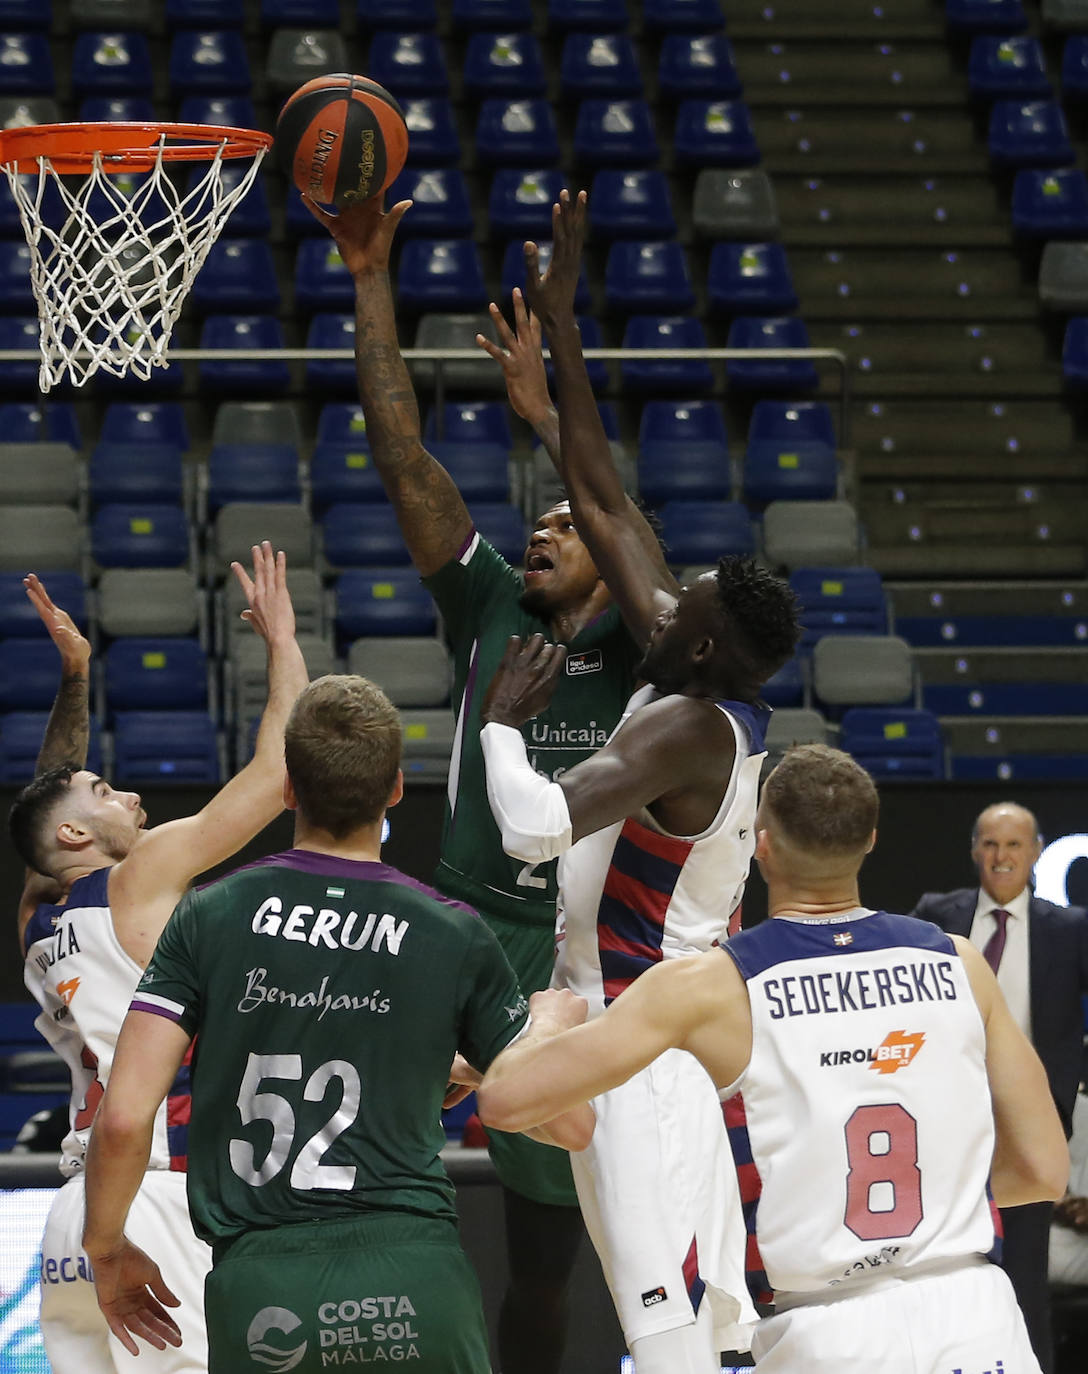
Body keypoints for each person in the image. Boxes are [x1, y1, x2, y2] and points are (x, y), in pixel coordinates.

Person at [304, 191, 669, 1374]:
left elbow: (617, 509)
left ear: (611, 569)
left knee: (558, 1250)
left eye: (567, 523)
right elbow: (399, 449)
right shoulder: (489, 603)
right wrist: (371, 277)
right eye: (540, 520)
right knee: (377, 1180)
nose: (544, 529)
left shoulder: (649, 644)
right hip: (464, 926)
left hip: (585, 955)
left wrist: (555, 404)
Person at [475, 188, 800, 1374]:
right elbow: (604, 492)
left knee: (670, 1335)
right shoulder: (690, 658)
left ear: (702, 644)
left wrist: (505, 728)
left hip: (650, 1051)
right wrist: (562, 327)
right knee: (673, 1321)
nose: (664, 593)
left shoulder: (686, 731)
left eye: (687, 598)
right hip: (622, 1028)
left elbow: (530, 830)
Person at [477, 743, 1071, 1374]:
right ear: (870, 839)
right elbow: (1040, 1169)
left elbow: (508, 1100)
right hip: (976, 1315)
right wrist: (929, 1211)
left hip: (827, 1331)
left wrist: (544, 1023)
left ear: (759, 845)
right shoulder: (960, 962)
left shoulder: (709, 986)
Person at [79, 673, 592, 1374]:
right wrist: (547, 1023)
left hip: (264, 1286)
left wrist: (105, 1248)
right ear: (395, 791)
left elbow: (122, 1121)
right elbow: (570, 1126)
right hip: (416, 1275)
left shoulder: (209, 914)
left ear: (289, 788)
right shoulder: (454, 933)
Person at [11, 549, 308, 1374]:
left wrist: (76, 677)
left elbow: (45, 806)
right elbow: (279, 772)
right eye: (109, 791)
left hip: (79, 1216)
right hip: (160, 1192)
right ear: (78, 837)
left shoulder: (37, 918)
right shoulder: (137, 880)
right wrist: (283, 643)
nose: (133, 797)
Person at [912, 801, 1088, 1373]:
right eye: (990, 843)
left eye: (1014, 845)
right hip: (946, 1120)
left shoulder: (1069, 929)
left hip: (1030, 1123)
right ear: (973, 851)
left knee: (1027, 1277)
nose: (1001, 856)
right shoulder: (938, 915)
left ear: (1036, 852)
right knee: (945, 1266)